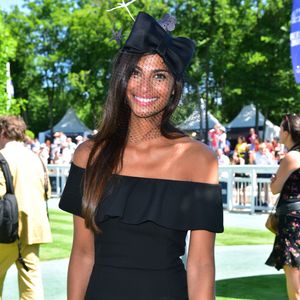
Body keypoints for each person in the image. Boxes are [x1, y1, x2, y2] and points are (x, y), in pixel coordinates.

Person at [59, 12, 223, 300]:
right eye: (135, 73)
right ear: (122, 81)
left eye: (159, 76)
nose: (145, 87)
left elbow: (200, 264)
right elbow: (83, 254)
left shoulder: (199, 160)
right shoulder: (88, 155)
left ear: (174, 88)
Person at [0, 116, 52, 299]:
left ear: (3, 132)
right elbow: (47, 192)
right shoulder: (36, 158)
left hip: (5, 230)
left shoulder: (2, 157)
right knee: (31, 286)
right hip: (32, 229)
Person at [265, 114, 300, 300]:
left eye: (280, 129)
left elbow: (274, 189)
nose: (278, 132)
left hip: (293, 220)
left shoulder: (292, 156)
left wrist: (274, 181)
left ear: (288, 132)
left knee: (294, 279)